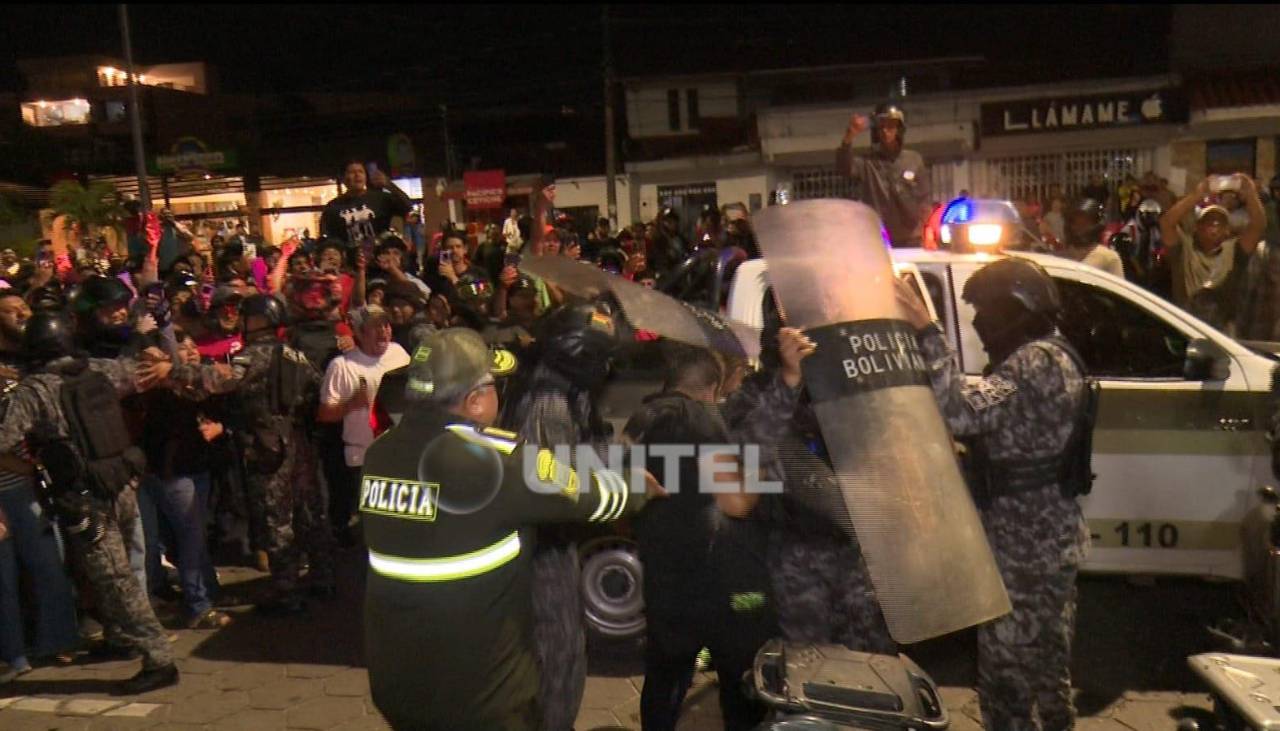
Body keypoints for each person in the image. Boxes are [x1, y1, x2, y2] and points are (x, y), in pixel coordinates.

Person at [361, 328, 656, 731]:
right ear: (476, 400)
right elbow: (591, 497)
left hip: (400, 690)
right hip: (483, 697)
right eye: (496, 385)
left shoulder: (380, 453)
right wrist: (638, 485)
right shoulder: (497, 459)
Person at [896, 258, 1092, 731]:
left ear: (1015, 309)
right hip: (1049, 539)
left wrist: (927, 330)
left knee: (1006, 680)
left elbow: (960, 412)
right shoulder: (1058, 355)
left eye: (985, 311)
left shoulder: (1032, 362)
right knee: (1048, 665)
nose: (980, 324)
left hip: (1023, 549)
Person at [0, 312, 179, 694]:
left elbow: (4, 439)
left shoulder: (35, 389)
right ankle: (120, 637)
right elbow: (144, 373)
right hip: (122, 483)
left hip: (84, 500)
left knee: (115, 581)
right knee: (110, 573)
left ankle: (159, 659)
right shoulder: (99, 369)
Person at [720, 295, 895, 655]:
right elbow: (747, 453)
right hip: (793, 553)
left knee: (870, 662)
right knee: (803, 665)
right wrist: (788, 382)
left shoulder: (851, 391)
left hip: (859, 550)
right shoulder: (758, 394)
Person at [149, 294, 336, 614]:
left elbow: (217, 381)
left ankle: (287, 592)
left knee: (277, 520)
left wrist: (172, 371)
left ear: (258, 321)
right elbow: (317, 390)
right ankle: (323, 577)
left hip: (268, 446)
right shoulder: (295, 355)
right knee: (310, 514)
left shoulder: (256, 356)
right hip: (299, 441)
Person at [626, 343, 775, 731]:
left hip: (662, 572)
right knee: (738, 678)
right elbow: (736, 503)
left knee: (663, 677)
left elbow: (621, 483)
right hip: (711, 580)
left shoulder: (640, 418)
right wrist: (761, 469)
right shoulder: (703, 423)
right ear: (711, 386)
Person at [501, 302, 619, 731]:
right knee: (556, 650)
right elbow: (554, 491)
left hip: (554, 544)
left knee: (565, 648)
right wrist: (616, 483)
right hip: (542, 550)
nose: (606, 367)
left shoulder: (568, 390)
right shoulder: (548, 403)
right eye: (600, 357)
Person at [0, 294, 79, 682]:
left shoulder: (31, 366)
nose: (23, 314)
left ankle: (57, 640)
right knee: (5, 579)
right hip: (8, 486)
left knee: (50, 565)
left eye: (26, 309)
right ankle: (14, 655)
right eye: (13, 309)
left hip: (29, 485)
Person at [318, 305, 411, 544]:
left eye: (386, 325)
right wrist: (351, 404)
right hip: (363, 459)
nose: (383, 332)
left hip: (400, 454)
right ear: (358, 332)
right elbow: (325, 415)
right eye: (375, 327)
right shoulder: (342, 366)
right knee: (369, 525)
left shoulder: (399, 353)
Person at [1156, 174, 1266, 332]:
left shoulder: (1235, 251)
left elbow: (1258, 226)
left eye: (1220, 223)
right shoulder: (1183, 250)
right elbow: (1166, 223)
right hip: (1185, 327)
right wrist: (1196, 195)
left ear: (1227, 230)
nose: (1214, 227)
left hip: (1222, 331)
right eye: (1208, 222)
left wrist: (1250, 194)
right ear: (1197, 227)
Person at [835, 103, 930, 246]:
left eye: (891, 126)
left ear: (899, 129)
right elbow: (844, 168)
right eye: (882, 127)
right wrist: (849, 137)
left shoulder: (914, 159)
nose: (886, 131)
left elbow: (924, 197)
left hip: (911, 238)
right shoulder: (867, 163)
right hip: (878, 238)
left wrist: (926, 226)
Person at [319, 160, 413, 250]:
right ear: (343, 178)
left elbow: (407, 206)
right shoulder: (333, 207)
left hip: (380, 258)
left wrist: (389, 185)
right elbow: (329, 239)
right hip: (351, 261)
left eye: (361, 171)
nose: (357, 175)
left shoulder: (381, 198)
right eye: (352, 172)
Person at [1056, 198, 1125, 278]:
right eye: (1075, 223)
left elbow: (1117, 289)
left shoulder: (1109, 258)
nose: (1078, 228)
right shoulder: (1058, 257)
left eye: (1084, 224)